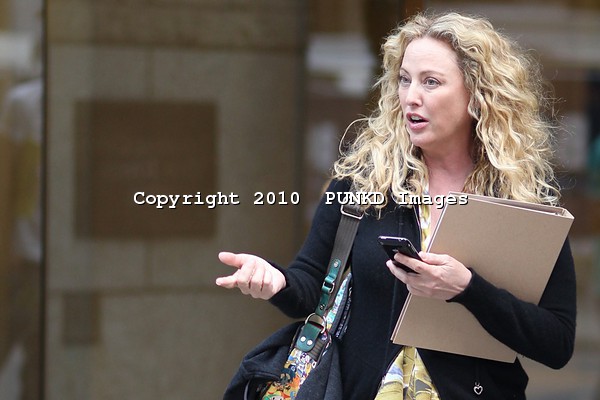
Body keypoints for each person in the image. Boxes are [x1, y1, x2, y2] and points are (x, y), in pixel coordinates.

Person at [216, 11, 576, 400]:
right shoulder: (363, 180)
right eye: (405, 80)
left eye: (431, 82)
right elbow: (310, 285)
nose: (411, 96)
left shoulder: (519, 198)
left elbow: (556, 342)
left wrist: (468, 289)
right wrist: (275, 281)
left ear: (478, 95)